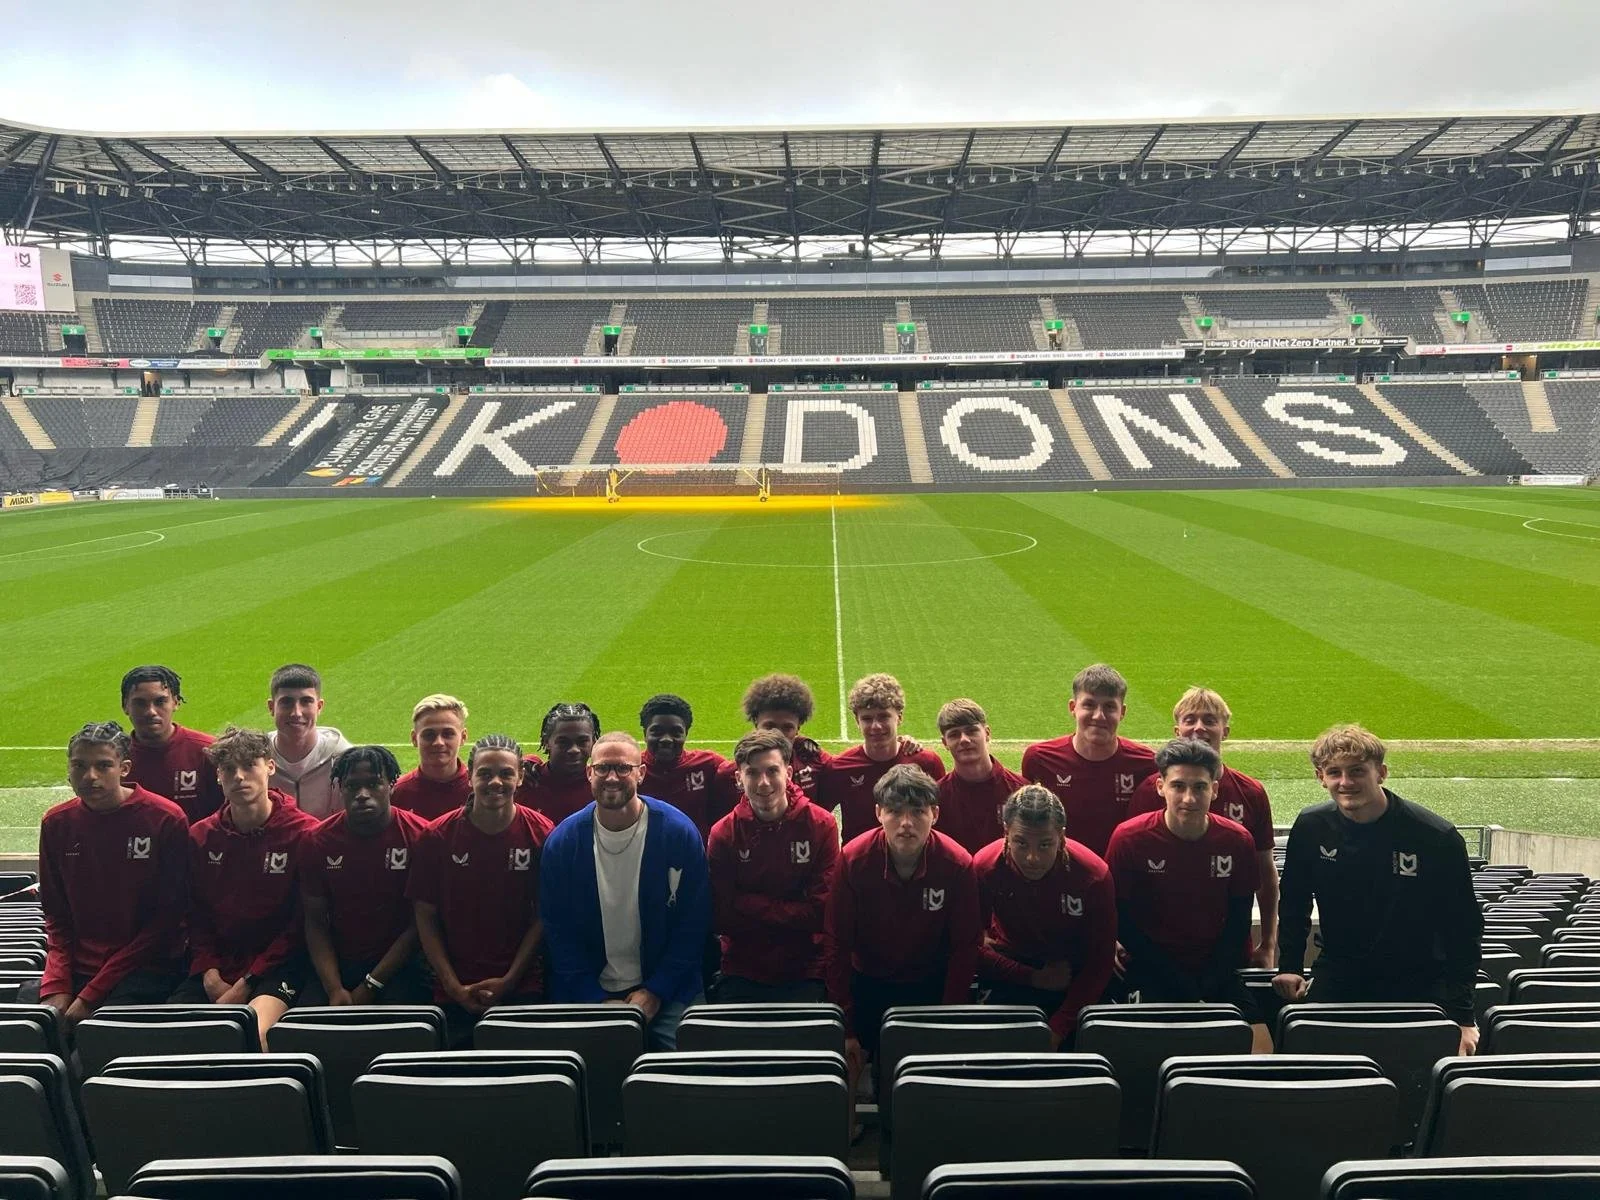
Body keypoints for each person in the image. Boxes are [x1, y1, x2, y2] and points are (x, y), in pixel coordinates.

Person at [1274, 724, 1483, 1055]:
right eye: (1335, 772)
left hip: (1418, 977)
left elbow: (1464, 928)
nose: (1346, 782)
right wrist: (1289, 965)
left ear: (1381, 773)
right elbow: (1294, 900)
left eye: (1357, 771)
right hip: (1341, 969)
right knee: (1305, 1053)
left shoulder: (1434, 836)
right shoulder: (1312, 826)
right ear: (1320, 777)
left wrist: (1463, 1015)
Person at [539, 732, 709, 1051]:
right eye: (603, 768)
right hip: (585, 992)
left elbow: (694, 923)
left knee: (687, 1075)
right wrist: (595, 999)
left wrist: (656, 991)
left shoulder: (677, 833)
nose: (612, 777)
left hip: (670, 992)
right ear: (589, 773)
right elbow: (558, 930)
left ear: (641, 773)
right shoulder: (563, 843)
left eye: (623, 768)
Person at [1104, 737, 1269, 1053]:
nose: (1189, 798)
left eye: (1200, 787)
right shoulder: (1129, 838)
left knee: (1261, 1049)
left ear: (1215, 790)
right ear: (1160, 787)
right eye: (1178, 786)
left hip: (1213, 970)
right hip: (1150, 968)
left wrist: (1207, 983)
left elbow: (1238, 919)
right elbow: (1120, 918)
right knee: (1144, 1052)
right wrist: (1179, 983)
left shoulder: (1237, 841)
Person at [825, 765, 980, 1088]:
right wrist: (848, 1026)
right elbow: (837, 943)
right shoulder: (853, 859)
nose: (906, 823)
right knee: (849, 1067)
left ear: (935, 814)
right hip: (868, 980)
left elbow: (965, 948)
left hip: (928, 983)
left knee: (928, 1076)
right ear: (879, 812)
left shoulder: (957, 863)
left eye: (918, 812)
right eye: (895, 811)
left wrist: (947, 1018)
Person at [33, 722, 189, 1026]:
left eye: (103, 766)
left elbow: (167, 922)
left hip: (147, 968)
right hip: (79, 969)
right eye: (80, 765)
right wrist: (57, 984)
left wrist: (92, 994)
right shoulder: (56, 822)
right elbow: (56, 915)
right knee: (33, 1031)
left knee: (96, 1037)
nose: (90, 777)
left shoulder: (165, 819)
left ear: (125, 768)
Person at [175, 726, 320, 1043]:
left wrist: (248, 980)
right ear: (218, 776)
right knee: (178, 1038)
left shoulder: (305, 833)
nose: (239, 776)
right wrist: (209, 972)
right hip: (217, 967)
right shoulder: (201, 837)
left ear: (270, 766)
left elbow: (301, 924)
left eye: (248, 765)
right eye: (228, 769)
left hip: (279, 966)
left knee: (255, 1034)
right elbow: (195, 913)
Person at [408, 734, 553, 1046]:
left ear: (521, 777)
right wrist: (452, 986)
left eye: (506, 773)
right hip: (452, 989)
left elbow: (543, 915)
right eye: (485, 773)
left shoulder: (542, 833)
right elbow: (425, 915)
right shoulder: (437, 836)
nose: (495, 782)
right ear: (470, 775)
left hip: (523, 986)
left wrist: (511, 980)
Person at [1126, 687, 1279, 968]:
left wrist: (1268, 943)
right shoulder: (1150, 791)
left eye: (1209, 720)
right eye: (1190, 720)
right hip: (1160, 953)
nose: (1199, 727)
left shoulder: (1251, 793)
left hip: (1226, 951)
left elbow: (1266, 875)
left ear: (1225, 730)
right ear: (1177, 730)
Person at [974, 785, 1115, 1048]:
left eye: (1045, 845)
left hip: (1075, 976)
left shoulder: (1093, 876)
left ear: (1062, 836)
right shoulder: (985, 868)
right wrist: (1031, 977)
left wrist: (1059, 1027)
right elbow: (969, 946)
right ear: (1006, 833)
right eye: (1021, 843)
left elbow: (1101, 961)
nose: (1032, 857)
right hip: (1012, 971)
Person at [707, 730, 840, 1002]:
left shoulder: (820, 825)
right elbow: (722, 914)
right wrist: (791, 911)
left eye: (772, 771)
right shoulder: (724, 833)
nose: (763, 782)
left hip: (807, 966)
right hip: (742, 966)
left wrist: (749, 904)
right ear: (738, 779)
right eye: (752, 773)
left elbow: (820, 912)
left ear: (788, 773)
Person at [301, 746, 431, 1006]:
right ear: (340, 789)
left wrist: (370, 986)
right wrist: (334, 987)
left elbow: (420, 924)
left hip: (403, 967)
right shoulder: (317, 841)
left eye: (374, 784)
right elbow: (315, 921)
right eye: (352, 786)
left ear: (392, 785)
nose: (362, 794)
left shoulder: (421, 836)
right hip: (339, 966)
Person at [1022, 663, 1156, 857]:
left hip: (1119, 871)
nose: (1099, 716)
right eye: (1089, 705)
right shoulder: (1039, 759)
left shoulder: (1147, 764)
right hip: (1059, 870)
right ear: (1072, 707)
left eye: (1110, 706)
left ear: (1123, 712)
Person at [818, 673, 947, 843]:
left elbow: (943, 819)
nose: (876, 726)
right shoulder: (840, 768)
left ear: (899, 717)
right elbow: (817, 819)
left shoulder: (927, 763)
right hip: (860, 864)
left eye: (884, 716)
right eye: (867, 719)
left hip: (915, 861)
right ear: (857, 721)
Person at [120, 665, 224, 823]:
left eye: (160, 701)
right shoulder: (113, 758)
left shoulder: (208, 751)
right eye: (140, 703)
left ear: (175, 702)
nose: (151, 711)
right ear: (125, 706)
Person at [640, 693, 740, 841]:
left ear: (686, 734)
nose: (666, 739)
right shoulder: (631, 768)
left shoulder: (708, 764)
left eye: (676, 732)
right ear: (645, 734)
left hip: (696, 853)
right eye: (657, 731)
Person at [935, 698, 1027, 854]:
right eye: (954, 735)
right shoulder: (936, 797)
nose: (964, 740)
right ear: (945, 743)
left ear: (987, 733)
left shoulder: (1021, 792)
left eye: (971, 731)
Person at [265, 663, 352, 820]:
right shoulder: (255, 761)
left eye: (306, 702)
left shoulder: (346, 760)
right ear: (271, 707)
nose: (296, 712)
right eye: (286, 702)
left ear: (319, 707)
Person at [741, 673, 832, 800]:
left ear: (798, 726)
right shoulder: (735, 770)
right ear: (756, 722)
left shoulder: (817, 761)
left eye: (787, 728)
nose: (778, 735)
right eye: (769, 726)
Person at [518, 702, 600, 825]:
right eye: (563, 742)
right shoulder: (524, 782)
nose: (574, 750)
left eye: (582, 741)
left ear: (594, 741)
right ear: (546, 742)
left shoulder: (603, 786)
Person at [391, 695, 471, 821]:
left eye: (448, 734)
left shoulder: (480, 791)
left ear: (463, 737)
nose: (438, 742)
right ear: (414, 739)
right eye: (429, 735)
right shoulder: (396, 794)